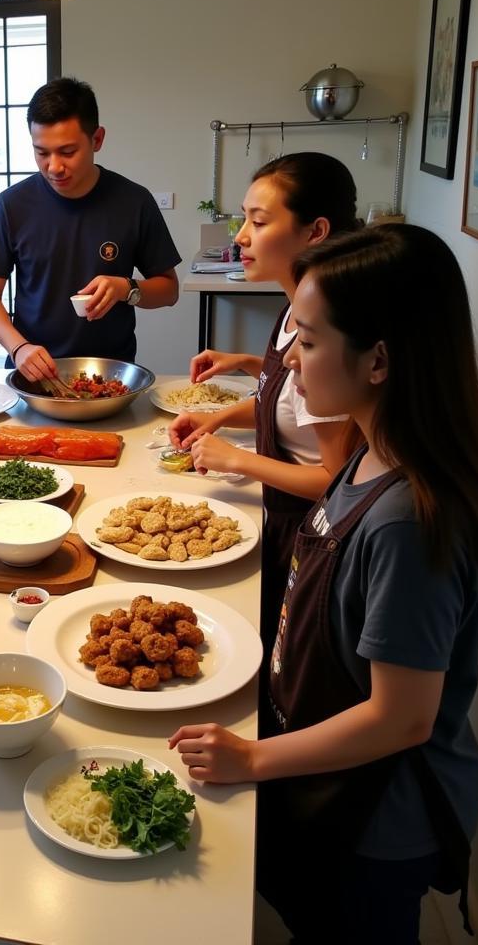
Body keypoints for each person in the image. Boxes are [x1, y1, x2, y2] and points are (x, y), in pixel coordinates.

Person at [169, 224, 478, 943]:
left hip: (376, 820)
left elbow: (401, 717)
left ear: (378, 360)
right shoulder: (366, 457)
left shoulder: (407, 521)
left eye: (309, 342)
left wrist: (253, 757)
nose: (287, 358)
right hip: (322, 776)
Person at [169, 152, 361, 667]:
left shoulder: (326, 329)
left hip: (306, 532)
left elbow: (337, 481)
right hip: (277, 517)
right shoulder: (294, 309)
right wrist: (221, 412)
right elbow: (284, 398)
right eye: (243, 220)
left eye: (258, 221)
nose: (240, 237)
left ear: (315, 230)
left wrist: (237, 459)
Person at [0, 77, 180, 381]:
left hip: (110, 377)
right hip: (33, 376)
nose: (54, 166)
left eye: (67, 151)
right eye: (42, 152)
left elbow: (169, 289)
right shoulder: (12, 205)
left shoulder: (134, 201)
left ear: (97, 139)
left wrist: (127, 288)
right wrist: (18, 348)